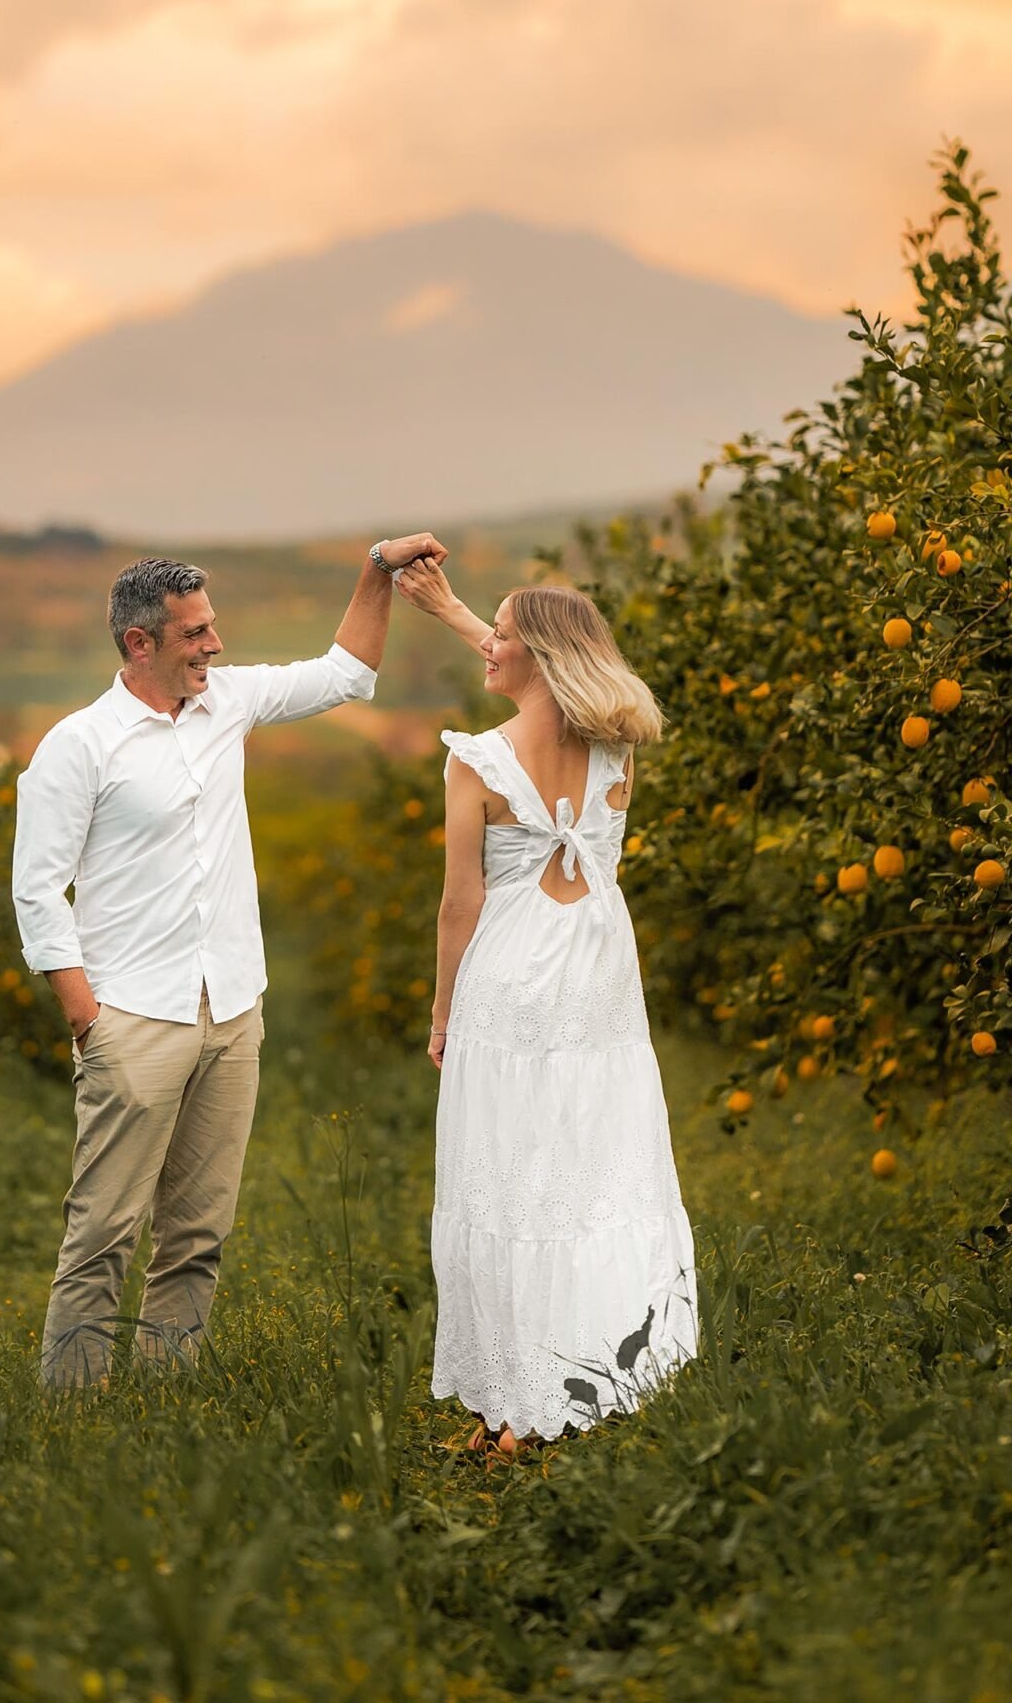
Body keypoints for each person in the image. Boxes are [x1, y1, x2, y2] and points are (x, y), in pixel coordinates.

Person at [13, 536, 446, 1388]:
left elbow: (346, 671)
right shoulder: (80, 745)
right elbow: (37, 891)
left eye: (213, 628)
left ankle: (165, 1398)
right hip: (132, 1017)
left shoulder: (231, 703)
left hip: (232, 1010)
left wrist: (376, 569)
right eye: (194, 634)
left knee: (198, 1232)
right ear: (140, 644)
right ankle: (70, 1417)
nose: (214, 645)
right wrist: (86, 1016)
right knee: (103, 1231)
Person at [394, 559, 698, 1455]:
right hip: (598, 980)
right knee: (592, 1175)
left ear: (535, 650)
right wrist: (453, 611)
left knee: (505, 1182)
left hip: (510, 979)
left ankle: (509, 1412)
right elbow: (545, 677)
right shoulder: (618, 750)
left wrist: (442, 1015)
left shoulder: (474, 762)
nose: (487, 645)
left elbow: (461, 903)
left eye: (500, 634)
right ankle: (585, 1382)